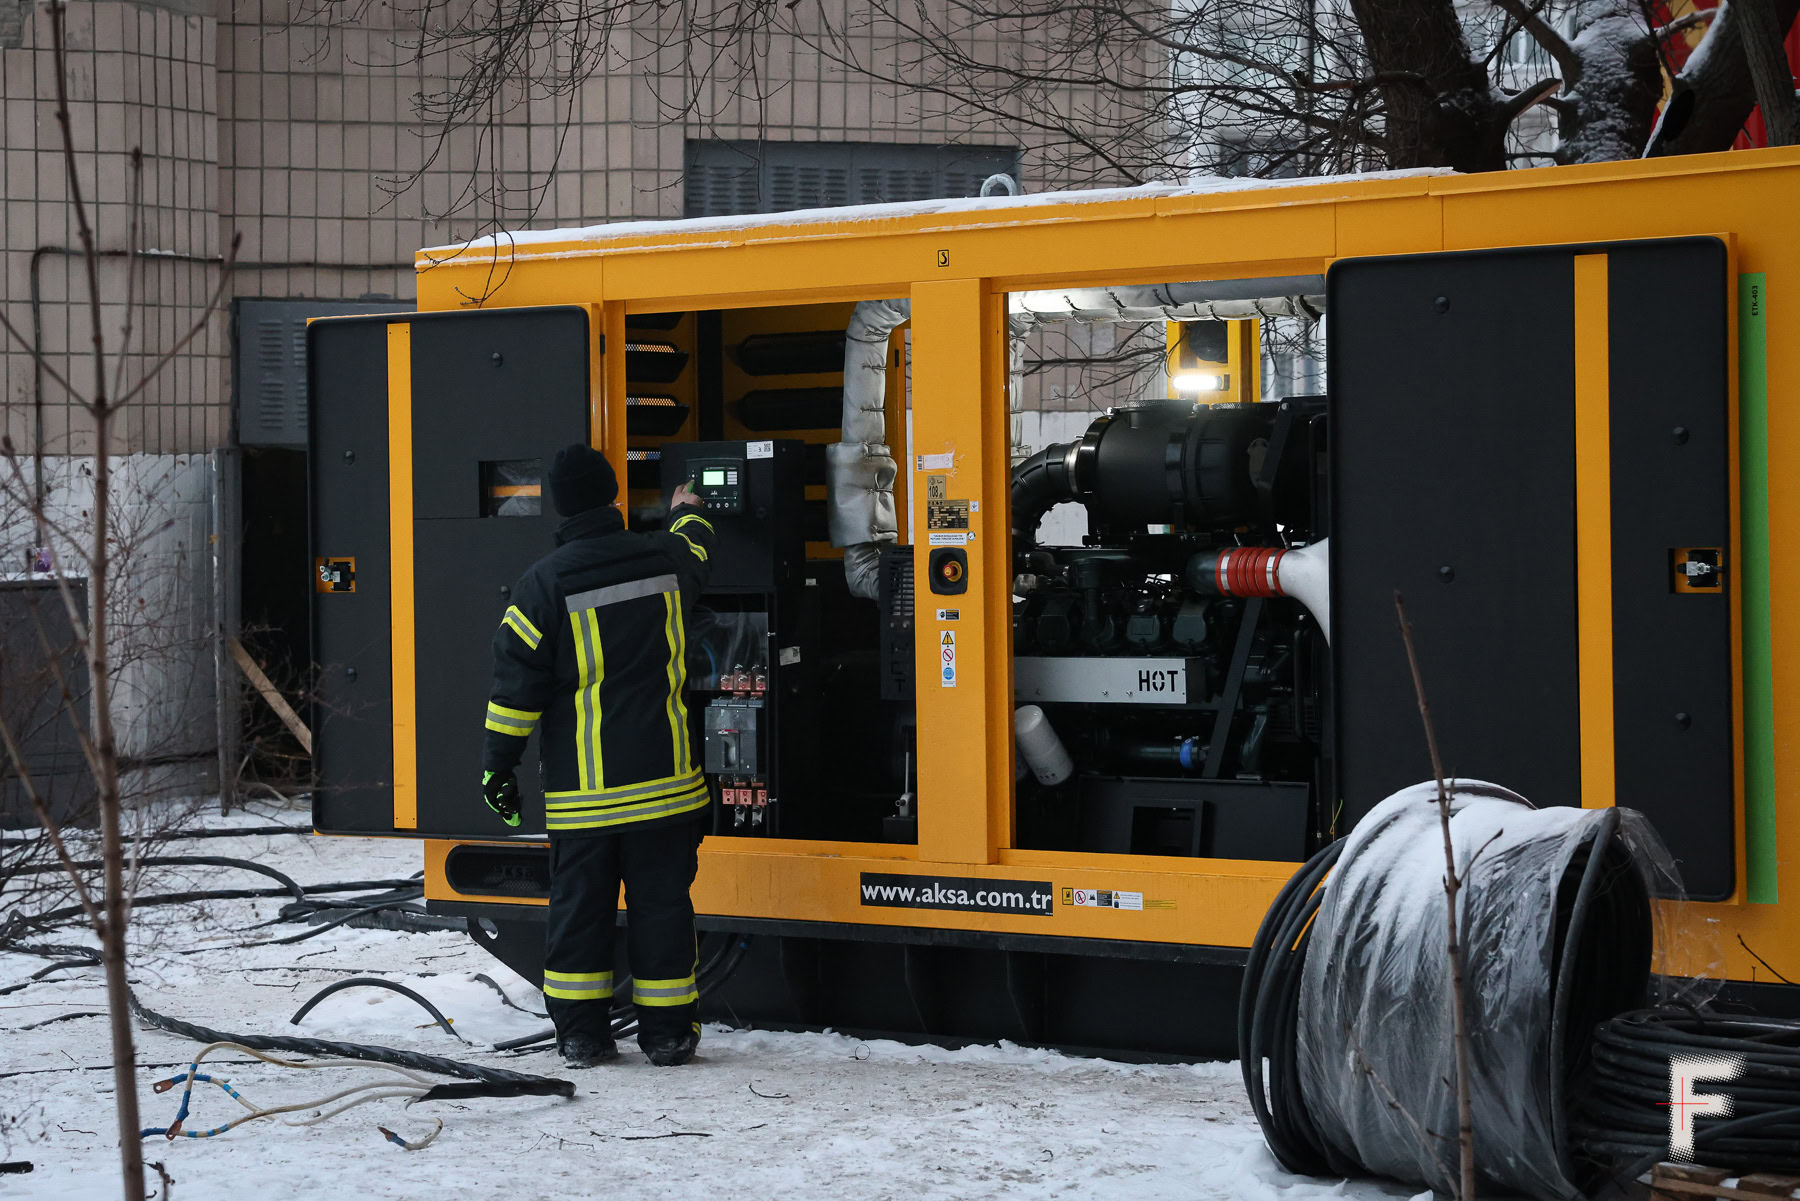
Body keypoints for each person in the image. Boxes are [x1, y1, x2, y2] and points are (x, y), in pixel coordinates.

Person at [479, 443, 716, 1067]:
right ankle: (667, 1035)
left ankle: (583, 1035)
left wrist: (497, 766)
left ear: (559, 505)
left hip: (585, 799)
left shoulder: (542, 585)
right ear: (614, 496)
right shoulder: (663, 558)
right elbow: (694, 548)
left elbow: (515, 691)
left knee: (579, 913)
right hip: (666, 789)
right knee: (663, 910)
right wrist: (688, 510)